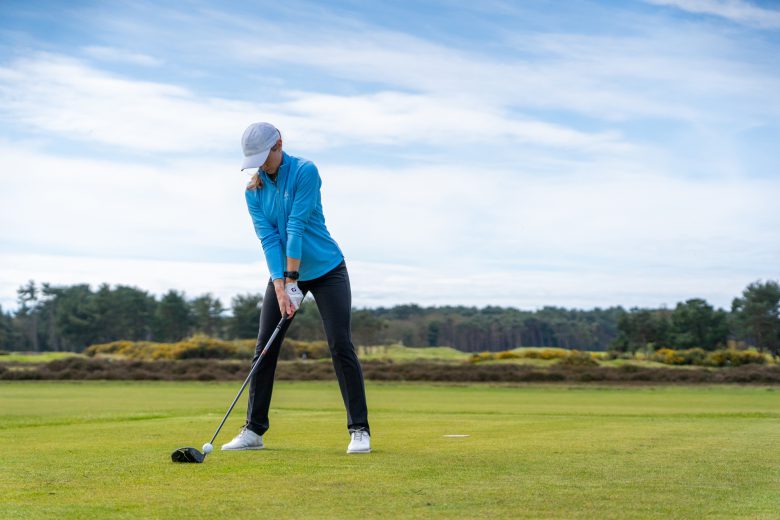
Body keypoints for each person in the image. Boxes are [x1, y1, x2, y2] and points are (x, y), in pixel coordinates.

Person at [221, 122, 371, 454]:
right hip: (285, 273)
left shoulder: (305, 171)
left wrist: (292, 279)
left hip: (327, 269)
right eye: (256, 159)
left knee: (340, 344)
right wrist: (280, 284)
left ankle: (359, 429)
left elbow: (295, 226)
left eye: (266, 157)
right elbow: (268, 238)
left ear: (279, 145)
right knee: (264, 348)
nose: (262, 164)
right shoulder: (253, 192)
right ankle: (253, 430)